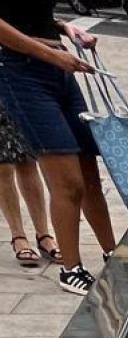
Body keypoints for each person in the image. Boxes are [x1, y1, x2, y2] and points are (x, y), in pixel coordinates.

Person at [0, 0, 116, 294]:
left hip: (58, 67)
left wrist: (66, 29)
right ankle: (71, 266)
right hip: (24, 74)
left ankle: (113, 252)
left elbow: (31, 12)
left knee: (89, 172)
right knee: (64, 179)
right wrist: (50, 55)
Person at [0, 105, 61, 267]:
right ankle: (18, 237)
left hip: (17, 86)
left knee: (28, 161)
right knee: (3, 166)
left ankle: (44, 235)